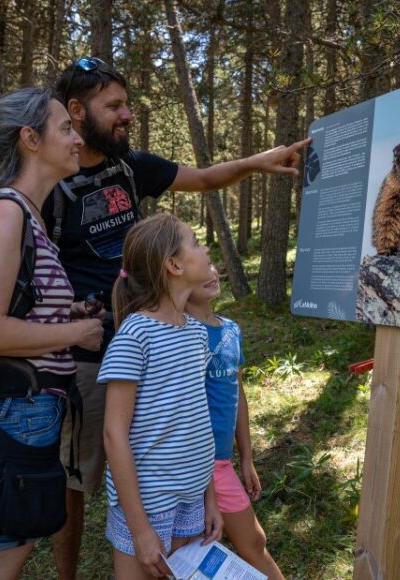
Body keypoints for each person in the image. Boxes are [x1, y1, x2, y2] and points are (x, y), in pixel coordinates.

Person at [47, 56, 310, 578]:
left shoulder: (131, 167)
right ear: (76, 111)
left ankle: (164, 540)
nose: (126, 115)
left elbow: (207, 177)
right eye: (113, 106)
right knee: (77, 480)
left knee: (166, 442)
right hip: (87, 356)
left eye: (127, 104)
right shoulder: (53, 180)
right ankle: (72, 570)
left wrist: (259, 162)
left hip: (153, 338)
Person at [0, 86, 104, 580]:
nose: (77, 139)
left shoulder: (28, 213)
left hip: (28, 408)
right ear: (30, 139)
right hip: (17, 409)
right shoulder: (6, 212)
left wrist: (67, 312)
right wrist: (76, 332)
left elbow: (19, 308)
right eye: (65, 128)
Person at [100, 214, 222, 579]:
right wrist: (140, 530)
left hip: (191, 498)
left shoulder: (196, 333)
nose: (205, 248)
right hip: (148, 504)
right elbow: (113, 434)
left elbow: (198, 422)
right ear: (174, 265)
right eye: (196, 242)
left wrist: (210, 499)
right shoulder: (136, 336)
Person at [185, 266, 285, 579]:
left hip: (222, 461)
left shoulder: (231, 329)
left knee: (249, 543)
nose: (211, 272)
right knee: (248, 543)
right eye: (200, 270)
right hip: (195, 463)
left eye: (212, 265)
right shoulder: (180, 334)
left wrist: (246, 458)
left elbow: (237, 395)